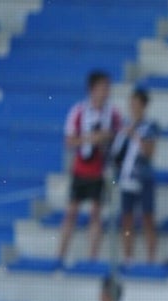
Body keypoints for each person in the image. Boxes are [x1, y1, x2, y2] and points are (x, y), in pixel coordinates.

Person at [56, 70, 122, 264]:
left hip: (100, 171)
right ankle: (60, 255)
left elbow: (119, 139)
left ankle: (92, 257)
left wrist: (107, 138)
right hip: (81, 169)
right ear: (92, 89)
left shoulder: (113, 114)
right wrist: (91, 138)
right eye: (102, 87)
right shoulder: (78, 111)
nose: (106, 91)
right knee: (71, 213)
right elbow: (69, 141)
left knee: (96, 214)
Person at [111, 87, 159, 265]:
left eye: (137, 104)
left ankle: (151, 258)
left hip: (143, 177)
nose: (133, 107)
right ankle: (127, 256)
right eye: (131, 104)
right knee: (127, 217)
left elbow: (149, 153)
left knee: (147, 216)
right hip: (126, 177)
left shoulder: (150, 126)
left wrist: (135, 135)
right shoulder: (124, 125)